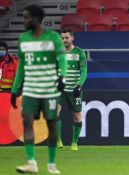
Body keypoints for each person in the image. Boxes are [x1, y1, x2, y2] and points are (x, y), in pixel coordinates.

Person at [10, 5, 67, 174]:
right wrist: (14, 90)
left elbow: (62, 58)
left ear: (36, 18)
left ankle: (51, 164)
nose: (24, 21)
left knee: (51, 124)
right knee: (27, 122)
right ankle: (31, 163)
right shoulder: (23, 39)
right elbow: (21, 66)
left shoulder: (53, 37)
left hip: (49, 90)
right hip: (30, 90)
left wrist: (62, 76)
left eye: (27, 17)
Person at [56, 28, 87, 150]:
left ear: (72, 38)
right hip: (60, 89)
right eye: (62, 38)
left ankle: (74, 142)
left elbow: (84, 70)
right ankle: (58, 140)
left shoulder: (79, 52)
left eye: (66, 38)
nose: (64, 40)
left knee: (77, 116)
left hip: (74, 89)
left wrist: (79, 85)